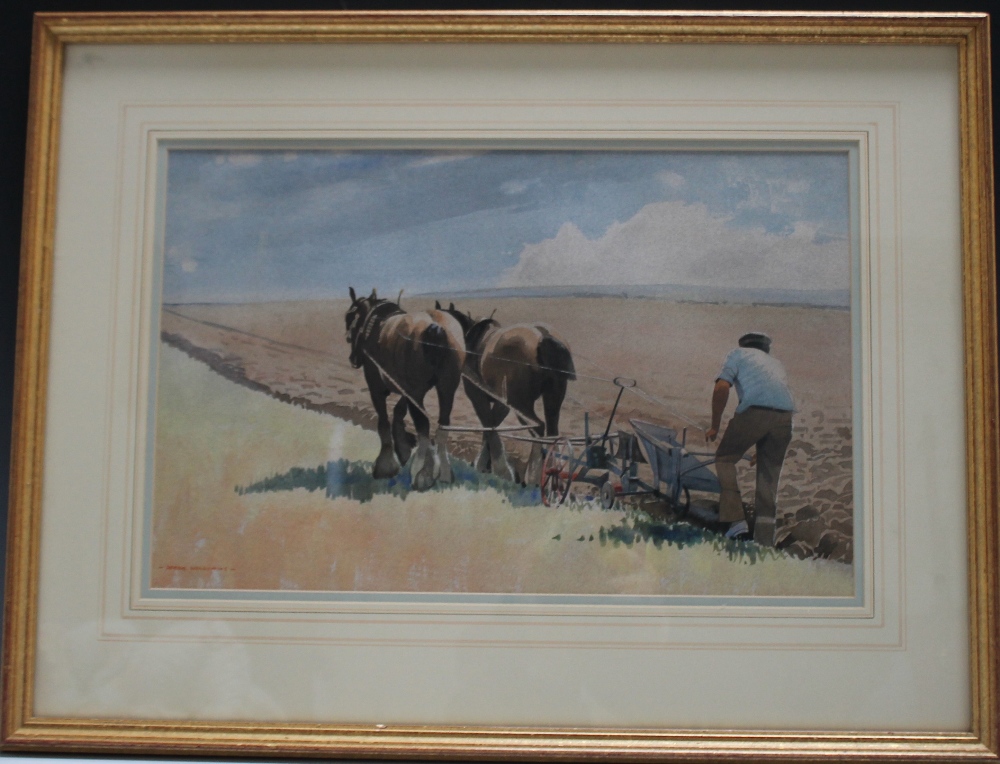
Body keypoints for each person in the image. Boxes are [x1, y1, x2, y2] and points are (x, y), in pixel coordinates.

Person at [705, 332, 794, 546]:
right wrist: (760, 449)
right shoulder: (776, 363)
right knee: (768, 477)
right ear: (766, 349)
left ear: (743, 345)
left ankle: (736, 523)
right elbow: (775, 398)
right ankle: (764, 540)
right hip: (785, 417)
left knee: (725, 459)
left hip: (754, 412)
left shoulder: (737, 354)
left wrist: (715, 426)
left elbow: (721, 387)